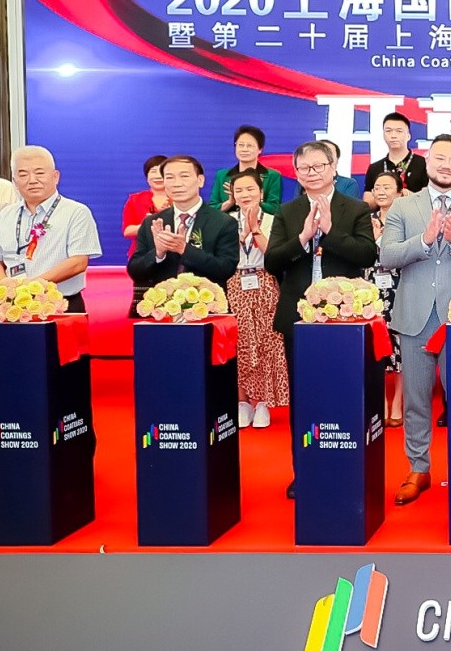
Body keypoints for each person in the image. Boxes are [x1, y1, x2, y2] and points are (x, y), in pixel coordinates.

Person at [378, 135, 451, 506]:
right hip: (414, 317)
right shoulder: (403, 206)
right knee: (416, 400)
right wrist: (425, 240)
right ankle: (419, 468)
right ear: (427, 162)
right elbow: (387, 256)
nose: (447, 165)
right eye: (440, 158)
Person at [264, 140, 378, 499]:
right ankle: (304, 471)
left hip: (344, 319)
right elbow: (272, 262)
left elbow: (367, 255)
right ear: (296, 173)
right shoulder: (288, 211)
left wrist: (331, 232)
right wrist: (303, 237)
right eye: (304, 168)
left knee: (344, 393)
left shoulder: (355, 208)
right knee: (304, 397)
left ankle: (346, 467)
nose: (311, 173)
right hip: (298, 318)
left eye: (318, 166)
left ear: (333, 168)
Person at [0, 146, 102, 312]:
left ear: (56, 176)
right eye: (23, 174)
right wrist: (6, 287)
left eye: (39, 173)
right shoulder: (6, 214)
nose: (32, 180)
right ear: (15, 181)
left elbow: (78, 262)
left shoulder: (76, 212)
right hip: (13, 306)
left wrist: (32, 287)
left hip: (61, 304)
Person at [225, 168, 288, 429]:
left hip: (265, 282)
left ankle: (263, 401)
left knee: (266, 341)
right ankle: (242, 401)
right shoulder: (225, 221)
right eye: (238, 190)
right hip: (236, 283)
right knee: (239, 341)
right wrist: (240, 236)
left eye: (250, 189)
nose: (245, 194)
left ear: (261, 193)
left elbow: (274, 256)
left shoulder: (275, 220)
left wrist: (255, 229)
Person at [128, 155, 239, 292]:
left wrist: (184, 249)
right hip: (161, 303)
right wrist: (158, 253)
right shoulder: (152, 223)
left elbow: (226, 269)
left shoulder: (224, 222)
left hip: (207, 302)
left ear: (200, 180)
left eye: (184, 176)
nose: (177, 183)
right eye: (170, 177)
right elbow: (135, 271)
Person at [368, 172, 406, 428]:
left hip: (400, 287)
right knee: (376, 345)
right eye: (377, 187)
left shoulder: (405, 220)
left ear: (400, 192)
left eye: (387, 187)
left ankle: (397, 402)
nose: (381, 191)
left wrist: (381, 239)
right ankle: (380, 400)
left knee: (401, 346)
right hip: (370, 291)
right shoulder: (365, 220)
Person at [211, 125, 282, 215]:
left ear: (260, 149)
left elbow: (275, 209)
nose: (244, 149)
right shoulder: (222, 175)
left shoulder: (272, 176)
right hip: (228, 221)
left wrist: (253, 200)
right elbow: (211, 209)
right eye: (241, 145)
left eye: (249, 145)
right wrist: (229, 203)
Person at [364, 112, 427, 199]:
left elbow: (429, 199)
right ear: (383, 135)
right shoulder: (374, 168)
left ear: (408, 136)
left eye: (399, 131)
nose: (393, 136)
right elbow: (367, 201)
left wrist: (405, 195)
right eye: (388, 131)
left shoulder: (424, 164)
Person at [122, 155, 170, 259]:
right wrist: (148, 224)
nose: (158, 176)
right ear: (147, 176)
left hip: (173, 254)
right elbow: (127, 231)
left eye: (162, 171)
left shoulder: (179, 199)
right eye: (153, 171)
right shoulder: (135, 199)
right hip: (142, 256)